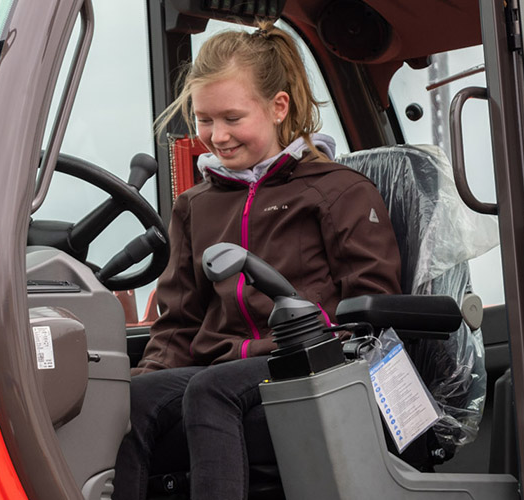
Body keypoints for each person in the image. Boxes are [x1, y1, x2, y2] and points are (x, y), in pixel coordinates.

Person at [111, 20, 403, 500]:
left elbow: (371, 306)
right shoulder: (195, 206)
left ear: (277, 106)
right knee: (129, 401)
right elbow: (180, 323)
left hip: (311, 360)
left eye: (231, 118)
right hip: (220, 365)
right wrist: (143, 381)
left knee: (210, 393)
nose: (216, 136)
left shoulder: (337, 191)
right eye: (204, 120)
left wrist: (322, 346)